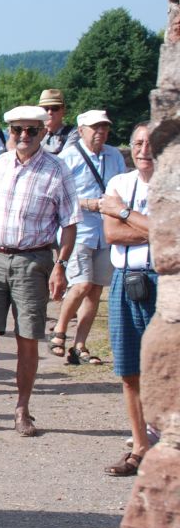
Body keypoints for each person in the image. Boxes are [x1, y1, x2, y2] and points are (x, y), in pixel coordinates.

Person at [0, 104, 79, 437]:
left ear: (42, 132)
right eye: (17, 130)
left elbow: (70, 223)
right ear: (9, 131)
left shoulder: (57, 170)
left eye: (31, 130)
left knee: (28, 338)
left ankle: (22, 409)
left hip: (33, 259)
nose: (23, 136)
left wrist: (61, 266)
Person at [100, 123, 159, 476]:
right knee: (129, 369)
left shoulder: (173, 183)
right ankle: (140, 447)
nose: (142, 149)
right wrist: (149, 227)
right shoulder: (119, 184)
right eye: (137, 142)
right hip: (125, 279)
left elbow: (170, 230)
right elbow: (111, 234)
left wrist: (124, 214)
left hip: (165, 281)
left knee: (167, 367)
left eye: (150, 143)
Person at [50, 109, 126, 366]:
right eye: (95, 127)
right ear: (81, 130)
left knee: (94, 291)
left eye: (104, 127)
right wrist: (88, 204)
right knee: (81, 284)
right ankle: (59, 330)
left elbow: (122, 188)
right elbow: (59, 197)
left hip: (106, 232)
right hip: (79, 229)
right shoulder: (67, 158)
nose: (101, 132)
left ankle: (79, 345)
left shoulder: (114, 155)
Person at [38, 88, 71, 154]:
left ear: (63, 110)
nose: (50, 112)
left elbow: (65, 160)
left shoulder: (72, 134)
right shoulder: (33, 132)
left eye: (54, 108)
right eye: (45, 109)